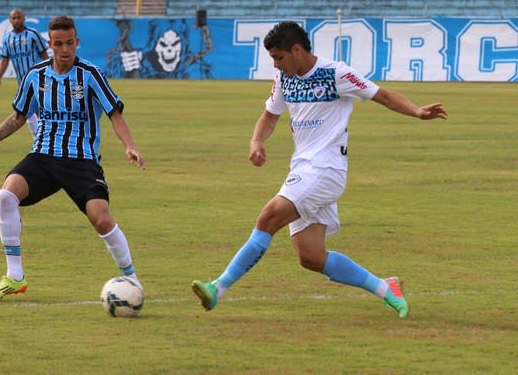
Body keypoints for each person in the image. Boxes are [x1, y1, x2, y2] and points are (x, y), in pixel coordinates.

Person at [191, 20, 447, 318]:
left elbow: (382, 95)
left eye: (278, 57)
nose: (275, 63)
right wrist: (256, 141)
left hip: (326, 170)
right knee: (311, 257)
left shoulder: (335, 73)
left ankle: (217, 288)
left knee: (268, 217)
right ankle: (385, 287)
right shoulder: (284, 79)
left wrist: (417, 111)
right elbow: (270, 116)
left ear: (296, 50)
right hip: (304, 168)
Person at [0, 15, 146, 300]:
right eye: (58, 44)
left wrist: (130, 146)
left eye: (70, 43)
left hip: (81, 160)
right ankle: (15, 277)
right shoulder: (36, 76)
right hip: (43, 157)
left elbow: (115, 114)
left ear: (77, 42)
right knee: (6, 196)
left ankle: (132, 280)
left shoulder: (90, 74)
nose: (65, 50)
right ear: (50, 44)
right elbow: (17, 118)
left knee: (101, 220)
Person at [0, 8, 49, 136]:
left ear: (24, 19)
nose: (16, 20)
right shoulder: (8, 38)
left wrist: (50, 71)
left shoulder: (33, 34)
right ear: (10, 20)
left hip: (38, 78)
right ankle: (41, 137)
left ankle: (43, 137)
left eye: (19, 17)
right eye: (14, 18)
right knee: (28, 111)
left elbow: (44, 54)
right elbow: (4, 59)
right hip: (22, 82)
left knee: (36, 109)